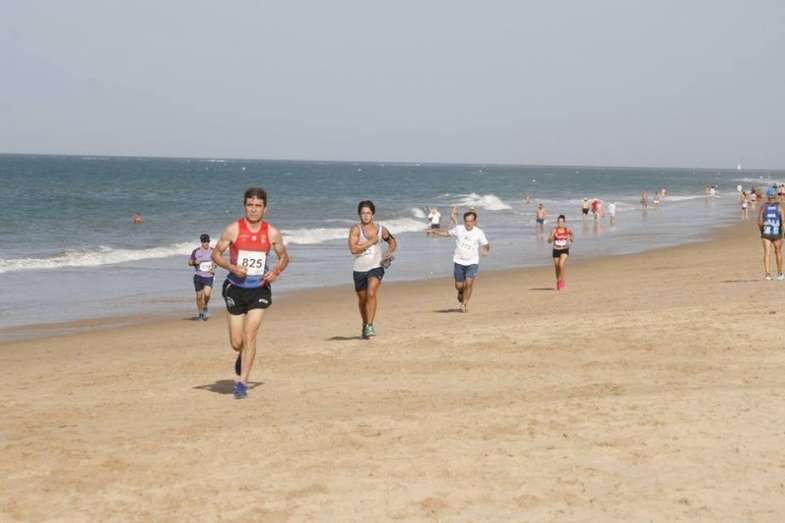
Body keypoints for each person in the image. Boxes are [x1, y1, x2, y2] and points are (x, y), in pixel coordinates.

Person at [211, 187, 289, 399]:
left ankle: (242, 383)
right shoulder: (233, 230)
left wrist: (276, 271)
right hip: (235, 288)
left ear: (265, 208)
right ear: (244, 206)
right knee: (237, 342)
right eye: (250, 205)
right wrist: (231, 267)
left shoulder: (271, 233)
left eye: (258, 206)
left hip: (259, 289)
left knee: (250, 335)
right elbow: (216, 254)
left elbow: (284, 257)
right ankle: (241, 354)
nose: (253, 209)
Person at [349, 200, 397, 339]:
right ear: (359, 215)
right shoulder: (356, 229)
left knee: (371, 293)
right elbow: (353, 249)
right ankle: (365, 324)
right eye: (363, 213)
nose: (365, 216)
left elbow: (392, 241)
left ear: (373, 214)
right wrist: (371, 242)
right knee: (363, 300)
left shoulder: (381, 229)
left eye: (368, 213)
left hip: (376, 266)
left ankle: (370, 325)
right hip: (359, 269)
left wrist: (389, 252)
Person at [427, 207, 490, 313]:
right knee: (459, 285)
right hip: (459, 261)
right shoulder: (459, 229)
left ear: (474, 221)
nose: (469, 223)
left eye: (471, 221)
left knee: (469, 283)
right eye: (467, 221)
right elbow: (447, 233)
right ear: (464, 221)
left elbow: (486, 244)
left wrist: (485, 251)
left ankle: (464, 304)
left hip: (472, 262)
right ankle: (460, 292)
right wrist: (435, 232)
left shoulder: (479, 232)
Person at [758, 187, 784, 281]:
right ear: (775, 196)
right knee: (778, 252)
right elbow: (783, 221)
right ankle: (780, 274)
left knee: (767, 253)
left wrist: (762, 231)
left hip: (766, 233)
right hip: (777, 233)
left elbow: (760, 222)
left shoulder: (763, 207)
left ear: (767, 196)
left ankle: (767, 274)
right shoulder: (779, 207)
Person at [188, 233, 214, 321]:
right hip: (198, 276)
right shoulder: (196, 251)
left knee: (207, 294)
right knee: (199, 296)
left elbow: (216, 262)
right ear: (201, 242)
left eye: (207, 241)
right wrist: (194, 262)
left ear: (209, 242)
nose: (206, 243)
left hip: (209, 276)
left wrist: (213, 267)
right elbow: (189, 262)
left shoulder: (213, 251)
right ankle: (200, 313)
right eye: (204, 242)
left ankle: (205, 306)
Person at [548, 214, 574, 290]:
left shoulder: (567, 230)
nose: (560, 223)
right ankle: (558, 281)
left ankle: (562, 280)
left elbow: (572, 235)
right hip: (556, 249)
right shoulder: (554, 230)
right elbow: (549, 240)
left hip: (564, 249)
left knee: (561, 264)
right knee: (557, 267)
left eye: (562, 222)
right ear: (557, 222)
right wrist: (550, 239)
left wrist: (571, 239)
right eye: (559, 222)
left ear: (564, 222)